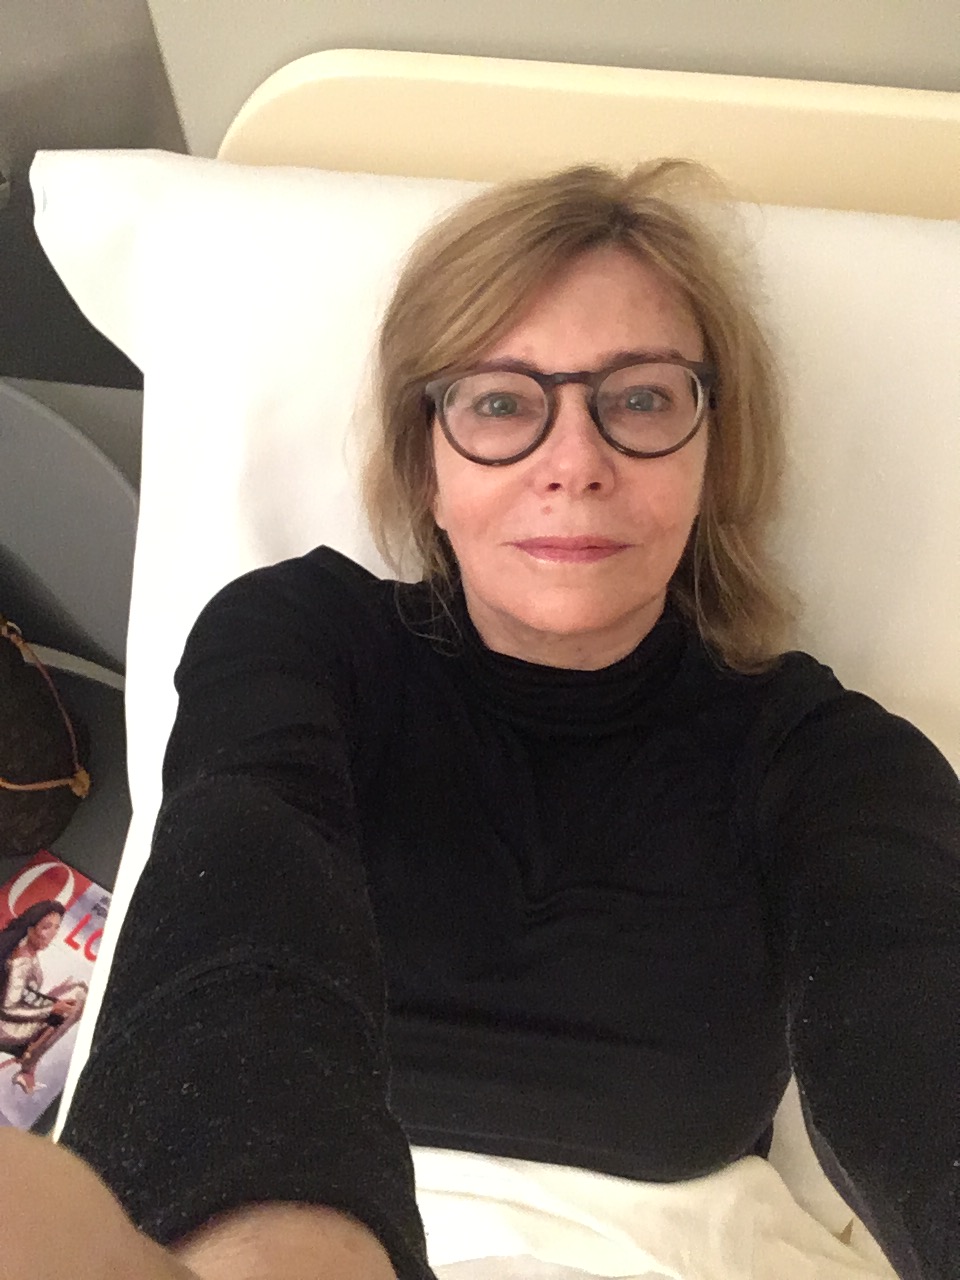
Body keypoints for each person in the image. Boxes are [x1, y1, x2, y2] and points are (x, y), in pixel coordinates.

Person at [1, 160, 957, 1280]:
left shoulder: (827, 755)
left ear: (713, 447)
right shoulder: (303, 642)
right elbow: (241, 875)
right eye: (501, 403)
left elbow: (912, 1010)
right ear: (426, 459)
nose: (576, 464)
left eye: (641, 399)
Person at [0, 899, 87, 1095]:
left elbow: (24, 994)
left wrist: (54, 998)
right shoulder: (22, 961)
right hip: (5, 1027)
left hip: (14, 1015)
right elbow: (8, 1007)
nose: (53, 933)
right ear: (30, 929)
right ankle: (28, 1066)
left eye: (56, 927)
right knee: (76, 1004)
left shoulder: (27, 950)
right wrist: (52, 1008)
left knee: (74, 995)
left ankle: (28, 1056)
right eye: (47, 927)